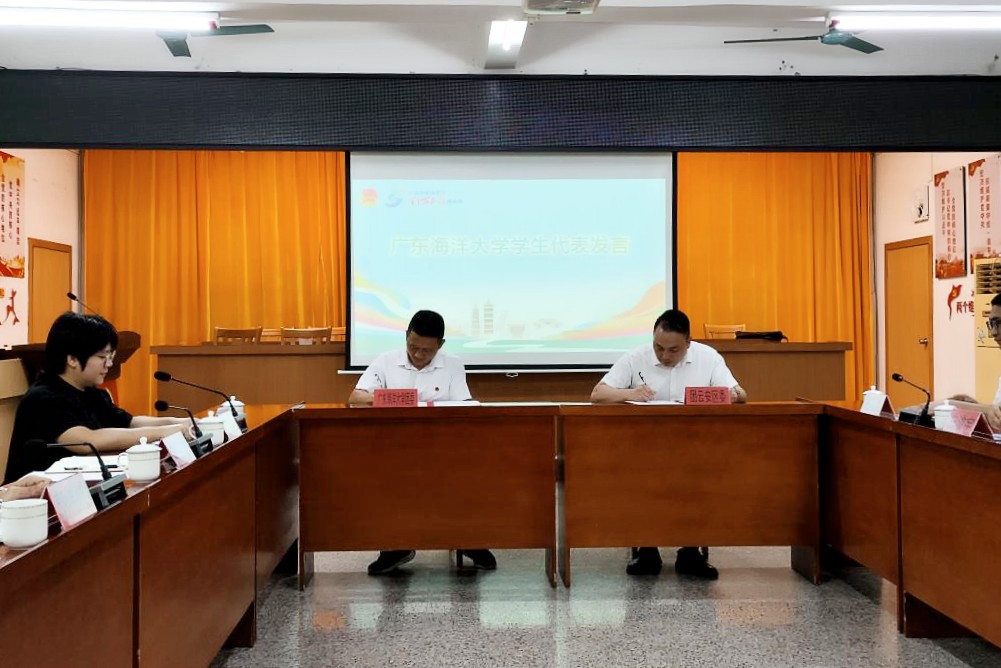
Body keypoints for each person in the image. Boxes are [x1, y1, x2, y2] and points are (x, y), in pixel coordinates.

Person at [590, 308, 747, 579]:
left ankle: (691, 552)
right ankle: (647, 550)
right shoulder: (635, 357)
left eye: (673, 350)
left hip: (696, 446)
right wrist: (631, 393)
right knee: (643, 480)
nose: (664, 356)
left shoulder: (708, 357)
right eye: (659, 348)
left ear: (688, 342)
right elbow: (597, 394)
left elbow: (739, 394)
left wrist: (729, 396)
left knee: (701, 478)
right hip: (644, 448)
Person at [348, 309, 496, 575]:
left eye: (426, 351)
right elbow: (355, 398)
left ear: (440, 345)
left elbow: (464, 406)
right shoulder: (385, 361)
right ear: (406, 336)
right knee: (389, 477)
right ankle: (396, 547)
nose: (417, 355)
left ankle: (467, 540)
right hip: (395, 445)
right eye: (413, 347)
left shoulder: (453, 364)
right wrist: (393, 399)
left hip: (443, 446)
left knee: (466, 474)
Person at [4, 312, 191, 481]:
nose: (109, 364)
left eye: (111, 357)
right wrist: (167, 431)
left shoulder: (90, 392)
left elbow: (130, 422)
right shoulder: (43, 398)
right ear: (72, 359)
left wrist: (182, 422)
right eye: (103, 357)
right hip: (34, 497)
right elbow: (88, 440)